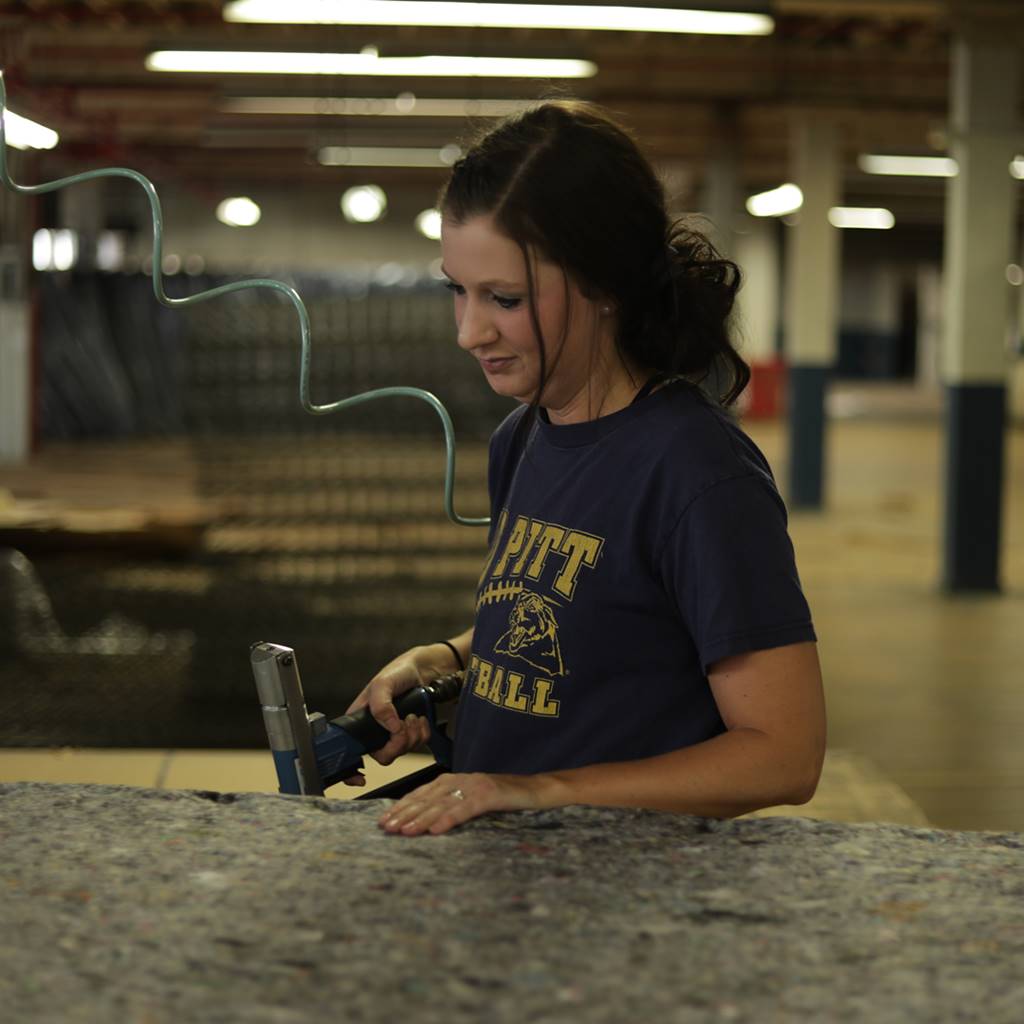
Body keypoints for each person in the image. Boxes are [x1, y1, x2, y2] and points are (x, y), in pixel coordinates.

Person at [343, 101, 826, 836]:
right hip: (512, 869)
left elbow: (783, 754)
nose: (470, 332)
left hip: (625, 893)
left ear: (604, 288)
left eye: (503, 298)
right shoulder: (522, 438)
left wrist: (539, 790)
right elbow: (576, 616)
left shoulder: (698, 475)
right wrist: (444, 659)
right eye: (458, 291)